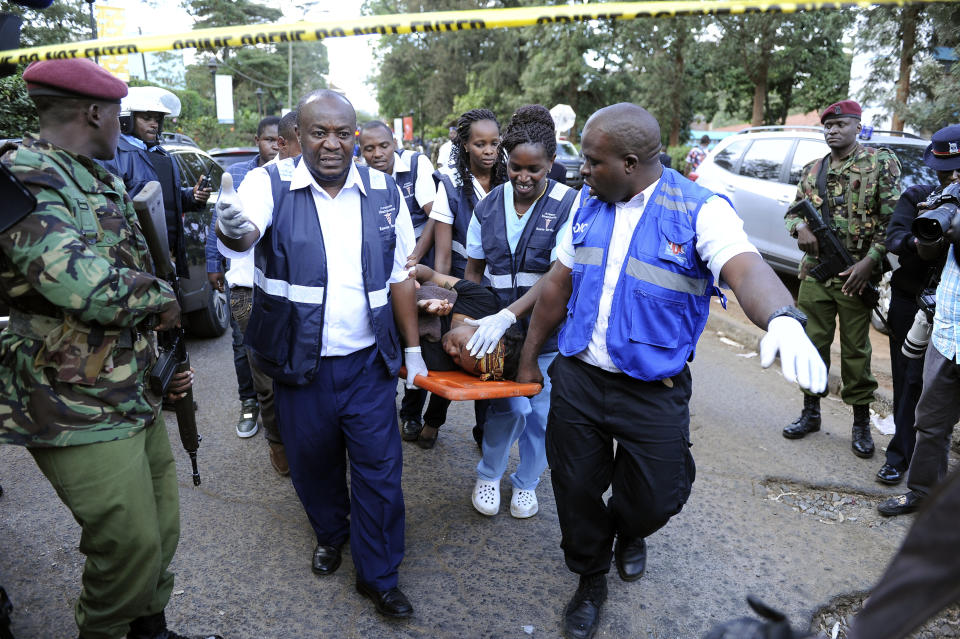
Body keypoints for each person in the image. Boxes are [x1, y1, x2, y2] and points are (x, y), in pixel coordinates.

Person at [514, 103, 826, 639]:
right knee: (575, 488)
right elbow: (558, 284)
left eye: (592, 162)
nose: (581, 172)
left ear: (630, 163)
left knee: (656, 497)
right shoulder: (589, 204)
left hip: (652, 390)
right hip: (581, 378)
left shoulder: (701, 210)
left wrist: (783, 319)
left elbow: (745, 266)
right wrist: (529, 358)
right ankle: (590, 577)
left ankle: (630, 531)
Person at [0, 58, 218, 639]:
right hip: (70, 400)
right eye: (118, 111)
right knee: (126, 543)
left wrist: (160, 368)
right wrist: (162, 298)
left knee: (159, 530)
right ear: (95, 112)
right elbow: (76, 281)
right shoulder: (24, 176)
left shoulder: (97, 176)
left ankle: (151, 630)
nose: (122, 123)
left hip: (127, 389)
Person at [215, 89, 425, 618]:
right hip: (297, 363)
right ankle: (332, 534)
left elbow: (400, 275)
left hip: (367, 366)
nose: (331, 144)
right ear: (299, 136)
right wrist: (231, 229)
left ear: (356, 135)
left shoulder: (383, 191)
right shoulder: (269, 182)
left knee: (380, 472)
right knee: (314, 467)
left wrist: (414, 352)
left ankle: (379, 576)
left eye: (342, 133)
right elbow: (244, 234)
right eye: (318, 132)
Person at [462, 104, 577, 519]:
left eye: (536, 171)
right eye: (516, 169)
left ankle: (527, 483)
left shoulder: (570, 205)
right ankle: (489, 474)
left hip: (548, 333)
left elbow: (557, 276)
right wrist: (465, 320)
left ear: (551, 164)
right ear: (507, 162)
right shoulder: (488, 206)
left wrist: (510, 314)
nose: (524, 179)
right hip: (498, 336)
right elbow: (474, 270)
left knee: (542, 414)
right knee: (504, 409)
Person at [782, 99, 901, 458]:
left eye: (841, 125)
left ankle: (861, 423)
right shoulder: (811, 169)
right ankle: (810, 412)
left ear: (857, 126)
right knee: (812, 344)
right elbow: (792, 212)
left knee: (855, 352)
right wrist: (800, 227)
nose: (833, 131)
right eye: (828, 126)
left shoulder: (880, 163)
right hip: (816, 275)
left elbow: (893, 221)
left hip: (855, 275)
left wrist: (871, 262)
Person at [877, 125, 960, 518]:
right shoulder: (924, 198)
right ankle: (912, 477)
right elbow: (904, 243)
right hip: (933, 319)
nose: (952, 179)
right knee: (922, 407)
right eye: (946, 171)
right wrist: (928, 234)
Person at [428, 108, 509, 448]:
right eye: (480, 144)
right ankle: (432, 418)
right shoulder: (451, 186)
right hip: (464, 286)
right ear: (464, 146)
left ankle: (484, 432)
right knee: (453, 353)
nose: (489, 151)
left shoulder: (511, 181)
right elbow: (443, 253)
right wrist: (442, 296)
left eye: (494, 143)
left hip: (502, 289)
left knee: (487, 358)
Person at [358, 120, 439, 445]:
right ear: (360, 151)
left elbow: (434, 215)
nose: (377, 154)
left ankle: (410, 414)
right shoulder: (357, 177)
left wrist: (415, 261)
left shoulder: (417, 164)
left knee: (414, 338)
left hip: (414, 267)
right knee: (381, 339)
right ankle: (379, 410)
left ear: (395, 143)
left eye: (383, 146)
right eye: (369, 149)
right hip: (378, 272)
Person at [205, 115, 279, 443]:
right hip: (242, 280)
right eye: (268, 140)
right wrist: (213, 264)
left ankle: (281, 412)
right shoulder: (237, 175)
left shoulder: (291, 177)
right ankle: (249, 404)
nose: (275, 145)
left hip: (277, 283)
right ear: (257, 140)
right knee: (241, 346)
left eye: (281, 140)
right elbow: (216, 225)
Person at [98, 86, 211, 279]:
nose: (154, 124)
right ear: (127, 120)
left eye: (157, 119)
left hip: (168, 257)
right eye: (146, 118)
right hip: (134, 258)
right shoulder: (113, 155)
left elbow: (165, 201)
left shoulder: (163, 155)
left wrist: (192, 196)